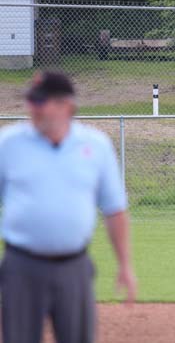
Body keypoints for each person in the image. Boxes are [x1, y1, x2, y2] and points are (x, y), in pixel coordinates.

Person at [0, 71, 137, 343]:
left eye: (41, 102)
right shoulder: (8, 144)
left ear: (67, 106)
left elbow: (114, 209)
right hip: (20, 266)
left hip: (74, 267)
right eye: (31, 101)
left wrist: (125, 265)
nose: (33, 108)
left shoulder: (96, 146)